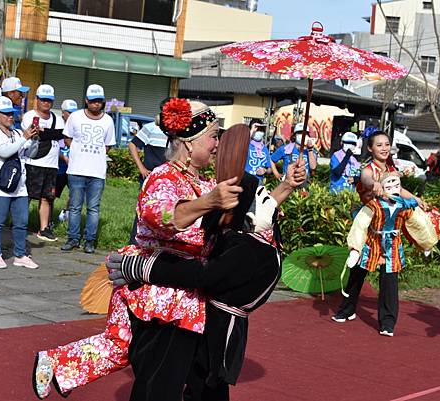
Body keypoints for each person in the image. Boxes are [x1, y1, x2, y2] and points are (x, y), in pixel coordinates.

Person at [31, 107, 305, 400]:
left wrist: (286, 185)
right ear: (190, 143)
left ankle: (58, 363)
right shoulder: (163, 179)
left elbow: (253, 215)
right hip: (160, 292)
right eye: (213, 137)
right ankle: (58, 363)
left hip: (188, 289)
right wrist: (208, 202)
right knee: (159, 380)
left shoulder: (207, 183)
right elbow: (162, 216)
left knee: (125, 350)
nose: (217, 145)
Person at [336, 173, 437, 336]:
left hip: (392, 246)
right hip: (372, 242)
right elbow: (360, 224)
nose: (393, 190)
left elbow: (419, 224)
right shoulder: (373, 205)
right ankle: (346, 309)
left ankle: (387, 323)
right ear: (382, 189)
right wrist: (355, 249)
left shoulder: (404, 206)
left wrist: (426, 243)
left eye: (396, 186)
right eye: (389, 187)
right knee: (356, 275)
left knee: (389, 284)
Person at [60, 84, 116, 254]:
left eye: (99, 101)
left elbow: (108, 146)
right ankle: (73, 238)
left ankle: (89, 240)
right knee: (75, 207)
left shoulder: (108, 120)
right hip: (76, 170)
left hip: (97, 172)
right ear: (86, 101)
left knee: (93, 208)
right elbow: (67, 138)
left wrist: (94, 155)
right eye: (92, 101)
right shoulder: (75, 117)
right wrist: (78, 153)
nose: (96, 104)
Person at [0, 96, 38, 269]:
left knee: (21, 221)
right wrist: (25, 137)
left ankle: (20, 255)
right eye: (6, 114)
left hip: (19, 185)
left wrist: (35, 139)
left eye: (12, 113)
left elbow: (32, 154)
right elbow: (4, 152)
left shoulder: (16, 133)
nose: (10, 117)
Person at [22, 84, 65, 242]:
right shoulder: (29, 115)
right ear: (37, 100)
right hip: (33, 162)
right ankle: (20, 223)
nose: (46, 103)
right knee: (26, 196)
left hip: (52, 165)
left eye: (49, 100)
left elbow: (60, 134)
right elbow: (32, 132)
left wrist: (44, 133)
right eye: (43, 100)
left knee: (47, 197)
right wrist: (49, 134)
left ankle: (44, 228)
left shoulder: (57, 118)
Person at [127, 106, 168, 244]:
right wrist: (141, 168)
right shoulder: (150, 128)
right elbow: (133, 145)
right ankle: (135, 243)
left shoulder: (176, 133)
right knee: (144, 212)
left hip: (168, 180)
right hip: (149, 178)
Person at [55, 99, 77, 222]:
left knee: (74, 193)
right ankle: (47, 220)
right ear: (63, 113)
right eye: (69, 112)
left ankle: (66, 213)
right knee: (51, 195)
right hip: (58, 168)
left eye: (74, 112)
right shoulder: (58, 126)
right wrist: (63, 158)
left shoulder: (77, 127)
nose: (72, 115)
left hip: (72, 168)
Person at [244, 118, 272, 183]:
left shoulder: (264, 148)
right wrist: (251, 131)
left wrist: (264, 170)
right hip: (245, 182)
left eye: (261, 130)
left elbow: (269, 169)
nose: (259, 132)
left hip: (259, 183)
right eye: (256, 130)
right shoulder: (246, 145)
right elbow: (240, 146)